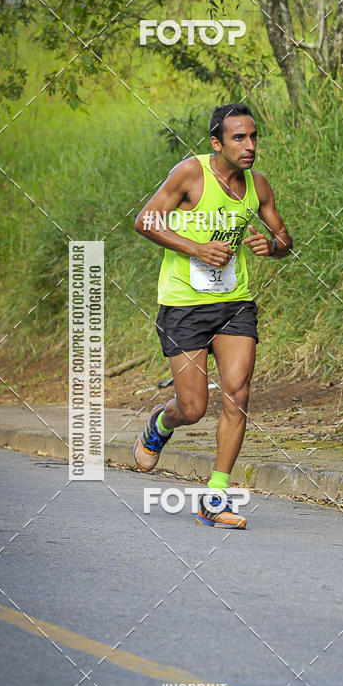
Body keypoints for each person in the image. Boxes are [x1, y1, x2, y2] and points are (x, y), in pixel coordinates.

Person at [133, 103, 292, 528]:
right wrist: (196, 248)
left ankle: (215, 497)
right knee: (193, 407)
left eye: (254, 137)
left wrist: (272, 247)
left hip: (234, 303)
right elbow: (145, 221)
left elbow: (283, 237)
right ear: (216, 143)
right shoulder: (190, 173)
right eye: (239, 138)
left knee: (237, 396)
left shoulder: (258, 186)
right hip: (184, 305)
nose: (250, 146)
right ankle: (160, 424)